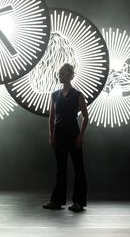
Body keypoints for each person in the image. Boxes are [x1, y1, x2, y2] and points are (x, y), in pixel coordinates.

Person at [43, 63, 89, 212]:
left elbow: (86, 117)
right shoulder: (54, 95)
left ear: (70, 76)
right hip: (59, 134)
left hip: (73, 133)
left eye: (63, 73)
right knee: (60, 169)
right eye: (59, 73)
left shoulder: (77, 94)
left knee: (78, 168)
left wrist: (80, 136)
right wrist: (51, 135)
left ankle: (78, 202)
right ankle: (57, 201)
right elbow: (51, 118)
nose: (60, 76)